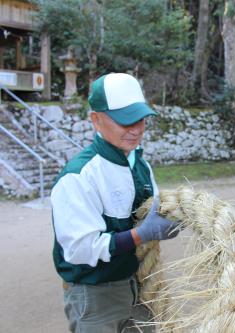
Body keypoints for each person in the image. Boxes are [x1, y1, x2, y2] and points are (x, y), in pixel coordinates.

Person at [51, 73, 179, 333]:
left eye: (141, 119)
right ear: (96, 120)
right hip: (96, 297)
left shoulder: (140, 164)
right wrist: (140, 234)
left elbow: (155, 213)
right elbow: (79, 249)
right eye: (125, 121)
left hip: (140, 286)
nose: (136, 129)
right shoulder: (79, 176)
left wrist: (172, 221)